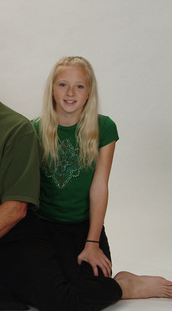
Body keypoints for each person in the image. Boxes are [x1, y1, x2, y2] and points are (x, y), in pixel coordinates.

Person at [0, 32, 172, 311]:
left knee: (62, 308)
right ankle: (33, 294)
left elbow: (17, 208)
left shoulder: (15, 128)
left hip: (13, 237)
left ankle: (121, 286)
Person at [32, 56, 116, 280]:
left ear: (89, 92)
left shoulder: (104, 128)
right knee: (47, 286)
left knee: (93, 281)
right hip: (44, 225)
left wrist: (92, 242)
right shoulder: (33, 130)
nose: (70, 93)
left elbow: (99, 187)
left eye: (79, 86)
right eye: (62, 85)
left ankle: (129, 284)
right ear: (52, 90)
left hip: (84, 227)